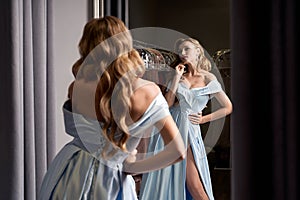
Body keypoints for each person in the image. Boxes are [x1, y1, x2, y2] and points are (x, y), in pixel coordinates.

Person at [38, 16, 186, 200]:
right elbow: (178, 151)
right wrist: (130, 166)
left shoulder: (76, 87)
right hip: (111, 179)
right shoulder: (147, 92)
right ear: (125, 43)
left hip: (69, 170)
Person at [139, 38, 233, 200]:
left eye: (186, 49)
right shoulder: (176, 75)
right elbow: (167, 104)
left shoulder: (208, 78)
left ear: (198, 51)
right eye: (180, 50)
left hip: (189, 131)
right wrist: (176, 78)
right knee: (172, 182)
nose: (182, 53)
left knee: (195, 184)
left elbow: (228, 107)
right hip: (170, 129)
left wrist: (204, 119)